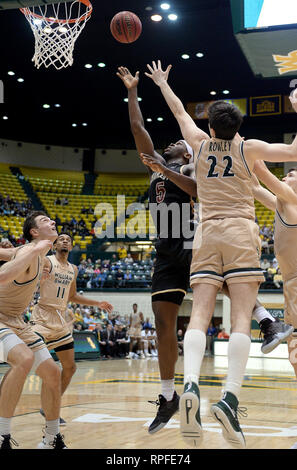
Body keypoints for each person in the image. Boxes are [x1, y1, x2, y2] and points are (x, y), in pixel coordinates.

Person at [117, 64, 292, 436]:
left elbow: (179, 111)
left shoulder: (197, 146)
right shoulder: (247, 148)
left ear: (209, 128)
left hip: (202, 234)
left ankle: (193, 383)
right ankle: (227, 396)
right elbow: (291, 151)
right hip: (233, 231)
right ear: (237, 126)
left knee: (199, 314)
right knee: (238, 315)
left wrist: (162, 83)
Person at [117, 65, 198, 432]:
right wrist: (133, 91)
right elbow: (138, 130)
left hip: (194, 239)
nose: (172, 144)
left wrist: (166, 171)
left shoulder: (198, 170)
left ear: (191, 152)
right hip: (165, 248)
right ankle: (168, 397)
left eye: (179, 144)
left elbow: (197, 193)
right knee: (164, 321)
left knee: (228, 287)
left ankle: (265, 318)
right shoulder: (157, 166)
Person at [30, 233, 113, 425]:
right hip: (41, 317)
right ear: (55, 245)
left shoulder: (73, 269)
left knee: (70, 367)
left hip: (59, 319)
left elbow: (72, 296)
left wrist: (97, 303)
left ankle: (50, 407)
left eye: (68, 239)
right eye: (61, 239)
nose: (65, 241)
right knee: (47, 368)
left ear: (72, 246)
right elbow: (33, 280)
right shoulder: (47, 262)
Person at [0, 211, 67, 449]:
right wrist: (30, 255)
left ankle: (51, 439)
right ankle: (2, 436)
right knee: (24, 359)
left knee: (52, 373)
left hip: (18, 321)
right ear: (34, 232)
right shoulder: (30, 250)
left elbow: (8, 253)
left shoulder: (36, 253)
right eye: (45, 221)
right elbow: (4, 276)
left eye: (51, 219)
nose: (52, 221)